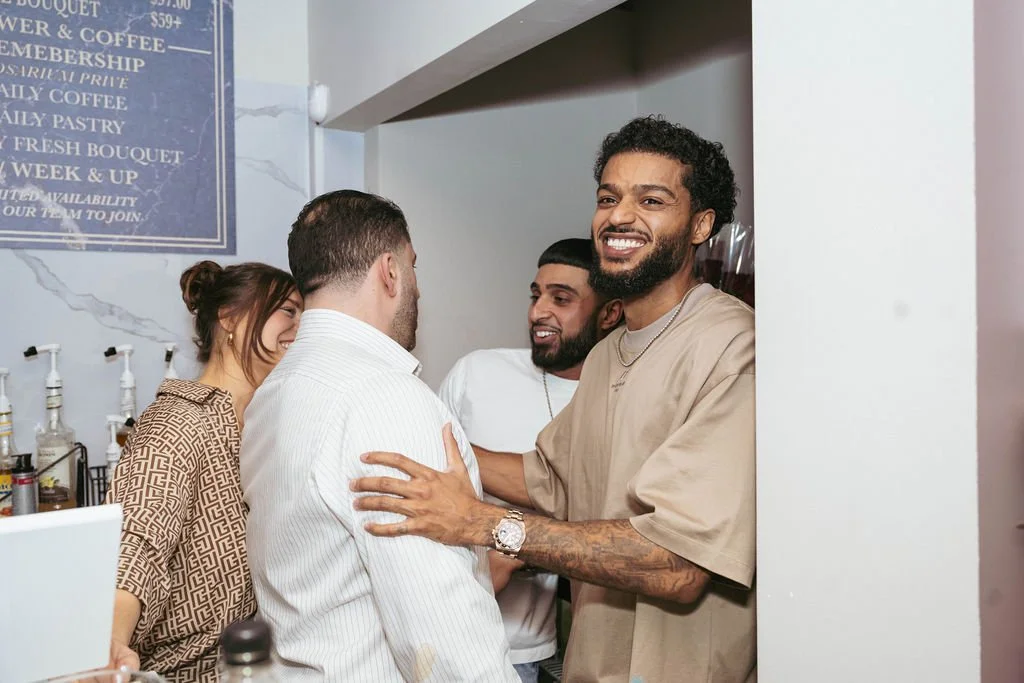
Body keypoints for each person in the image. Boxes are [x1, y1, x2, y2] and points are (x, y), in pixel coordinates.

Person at [352, 116, 756, 682]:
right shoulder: (608, 354)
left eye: (652, 200)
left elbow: (677, 565)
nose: (619, 216)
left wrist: (482, 523)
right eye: (608, 197)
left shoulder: (732, 345)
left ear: (700, 224)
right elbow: (552, 481)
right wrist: (427, 445)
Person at [239, 189, 518, 682]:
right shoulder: (386, 399)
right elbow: (440, 631)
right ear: (389, 270)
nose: (417, 288)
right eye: (413, 268)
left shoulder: (273, 390)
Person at [106, 260, 302, 681]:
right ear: (229, 317)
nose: (300, 325)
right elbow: (137, 537)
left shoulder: (263, 422)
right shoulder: (179, 420)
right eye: (288, 309)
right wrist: (111, 641)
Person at [438, 237, 622, 683]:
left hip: (527, 648)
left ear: (609, 313)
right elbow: (430, 478)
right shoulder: (478, 372)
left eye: (561, 298)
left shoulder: (621, 399)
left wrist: (519, 553)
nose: (539, 311)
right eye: (536, 295)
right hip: (443, 630)